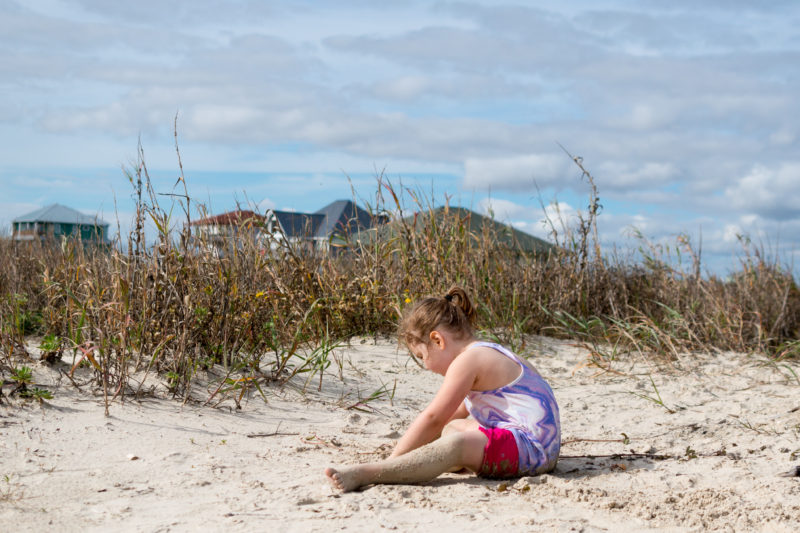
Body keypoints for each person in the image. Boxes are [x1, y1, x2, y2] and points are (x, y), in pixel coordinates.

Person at [325, 286, 560, 492]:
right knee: (453, 428)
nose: (426, 366)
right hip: (542, 447)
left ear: (437, 340)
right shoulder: (491, 351)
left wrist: (393, 460)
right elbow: (452, 416)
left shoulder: (467, 361)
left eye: (422, 356)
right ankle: (441, 461)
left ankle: (373, 473)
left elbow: (433, 418)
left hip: (531, 451)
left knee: (455, 444)